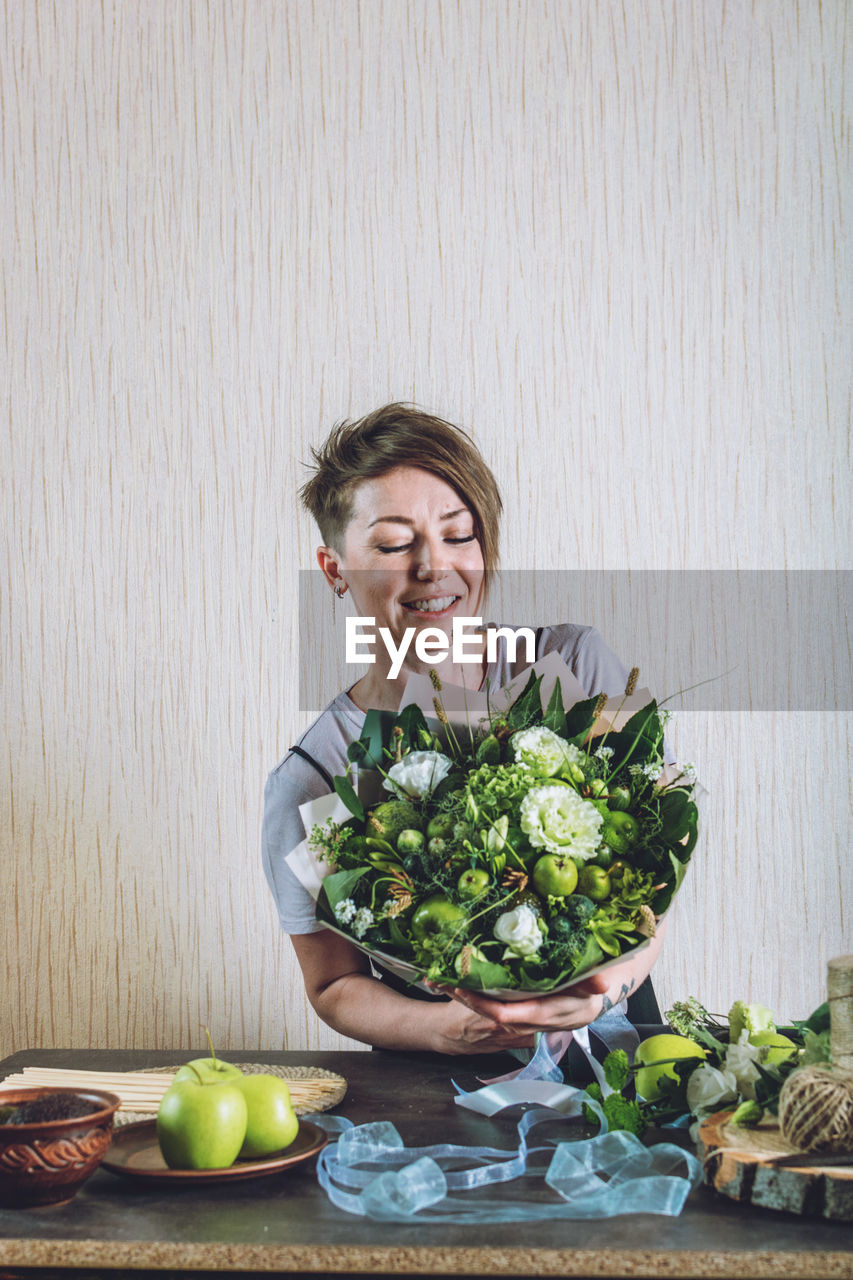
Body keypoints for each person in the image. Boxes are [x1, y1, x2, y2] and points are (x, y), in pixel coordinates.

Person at [263, 403, 665, 1054]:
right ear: (334, 568)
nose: (434, 567)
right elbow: (333, 984)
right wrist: (453, 1029)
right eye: (394, 544)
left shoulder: (575, 668)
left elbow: (648, 890)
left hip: (622, 1054)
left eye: (458, 534)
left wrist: (601, 990)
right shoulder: (313, 779)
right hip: (432, 1089)